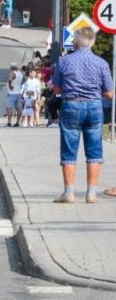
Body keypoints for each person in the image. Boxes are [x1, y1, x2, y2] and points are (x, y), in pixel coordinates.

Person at [48, 27, 116, 202]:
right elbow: (109, 93)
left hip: (71, 105)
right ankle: (91, 193)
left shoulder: (64, 61)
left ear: (76, 42)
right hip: (94, 107)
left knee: (69, 150)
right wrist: (94, 94)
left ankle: (69, 193)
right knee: (94, 151)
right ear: (92, 42)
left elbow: (56, 88)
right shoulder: (101, 63)